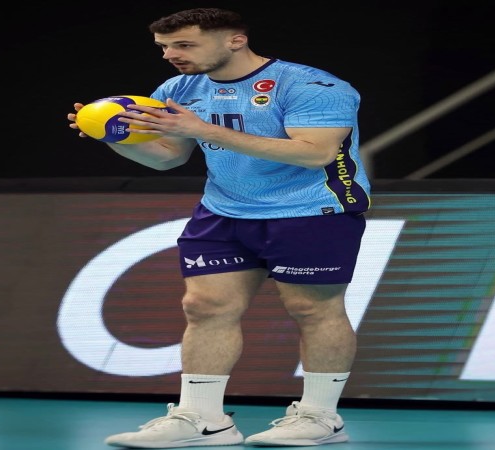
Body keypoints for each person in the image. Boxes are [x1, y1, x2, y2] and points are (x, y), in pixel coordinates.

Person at [67, 7, 371, 448]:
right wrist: (113, 137)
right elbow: (168, 156)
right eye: (164, 47)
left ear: (235, 40)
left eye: (184, 45)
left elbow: (315, 153)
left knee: (313, 310)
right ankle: (204, 420)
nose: (171, 55)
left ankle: (321, 417)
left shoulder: (312, 86)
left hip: (310, 209)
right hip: (224, 211)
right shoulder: (178, 89)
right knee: (204, 307)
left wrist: (204, 128)